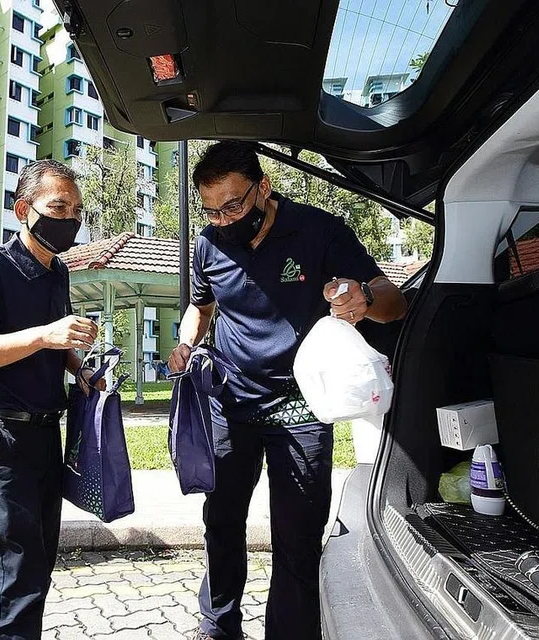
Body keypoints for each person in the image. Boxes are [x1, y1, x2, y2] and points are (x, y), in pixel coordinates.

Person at [168, 141, 408, 640]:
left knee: (297, 542)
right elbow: (202, 305)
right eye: (211, 211)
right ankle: (218, 627)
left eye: (234, 205)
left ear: (265, 188)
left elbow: (393, 302)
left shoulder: (320, 231)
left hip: (301, 412)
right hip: (232, 407)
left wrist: (361, 299)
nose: (223, 220)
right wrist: (187, 341)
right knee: (222, 526)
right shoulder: (209, 243)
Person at [0, 160, 104, 640]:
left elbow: (58, 348)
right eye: (58, 207)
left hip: (44, 435)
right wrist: (43, 336)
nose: (69, 219)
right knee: (15, 569)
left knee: (37, 561)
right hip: (0, 437)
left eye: (76, 210)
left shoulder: (58, 273)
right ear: (23, 210)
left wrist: (81, 368)